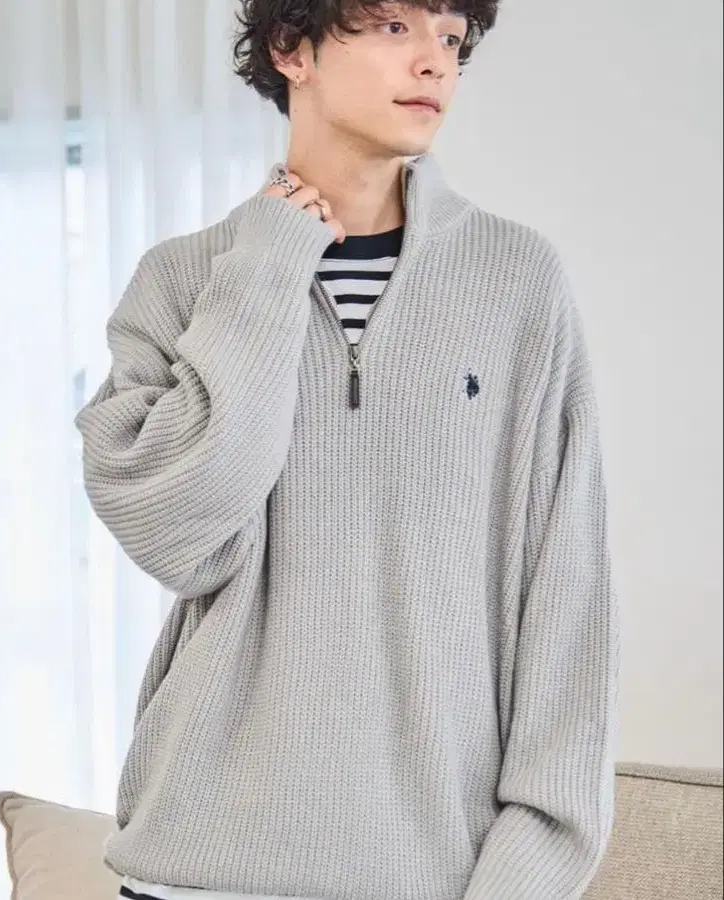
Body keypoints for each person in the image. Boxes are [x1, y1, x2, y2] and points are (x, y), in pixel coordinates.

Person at [74, 1, 620, 898]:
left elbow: (570, 594)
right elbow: (177, 534)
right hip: (192, 869)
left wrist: (527, 873)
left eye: (451, 37)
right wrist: (271, 258)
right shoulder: (183, 280)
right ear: (293, 49)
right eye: (395, 27)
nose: (435, 62)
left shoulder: (515, 282)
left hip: (430, 877)